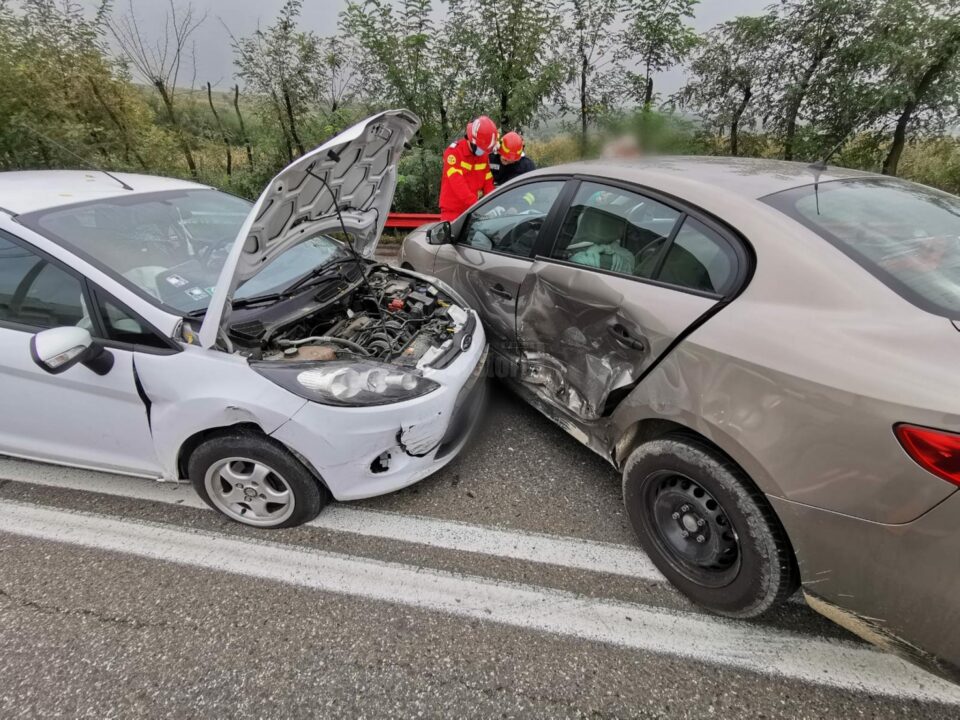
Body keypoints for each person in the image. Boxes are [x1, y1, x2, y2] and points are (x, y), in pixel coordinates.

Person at [438, 115, 499, 221]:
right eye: (481, 148)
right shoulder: (453, 153)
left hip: (473, 210)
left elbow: (488, 182)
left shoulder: (483, 155)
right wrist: (477, 205)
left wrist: (492, 203)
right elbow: (457, 183)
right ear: (471, 140)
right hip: (453, 212)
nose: (483, 152)